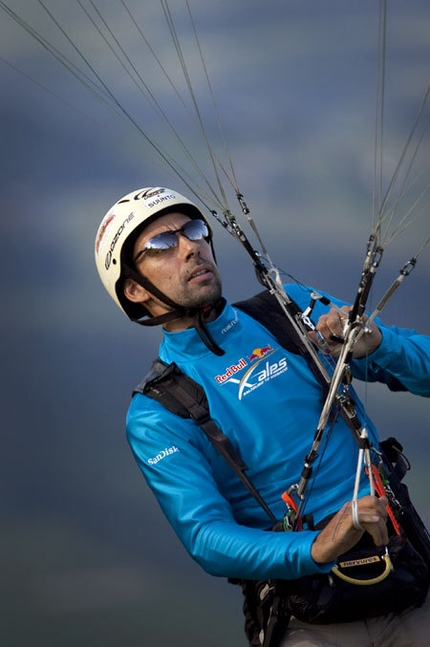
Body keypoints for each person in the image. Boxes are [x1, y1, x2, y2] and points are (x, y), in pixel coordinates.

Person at [95, 186, 430, 646]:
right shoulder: (158, 412)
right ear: (134, 290)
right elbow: (206, 537)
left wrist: (382, 346)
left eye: (193, 231)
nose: (191, 247)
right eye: (161, 245)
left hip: (410, 581)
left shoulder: (290, 311)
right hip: (312, 621)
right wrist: (315, 547)